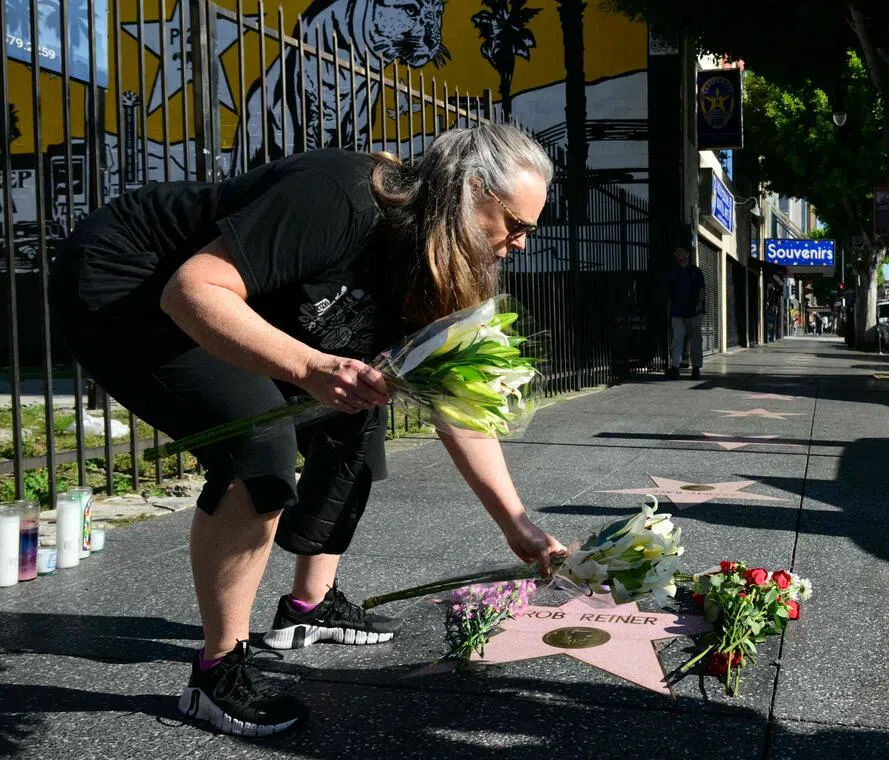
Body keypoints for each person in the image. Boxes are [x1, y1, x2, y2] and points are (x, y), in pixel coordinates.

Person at [49, 124, 567, 736]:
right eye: (516, 225)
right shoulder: (338, 195)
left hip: (238, 301)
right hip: (132, 281)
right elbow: (194, 289)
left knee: (359, 415)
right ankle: (218, 672)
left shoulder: (441, 262)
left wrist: (520, 528)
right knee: (258, 447)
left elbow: (455, 405)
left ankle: (310, 605)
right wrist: (312, 367)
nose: (522, 243)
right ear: (471, 188)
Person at [666, 245, 705, 380]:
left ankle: (696, 367)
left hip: (694, 311)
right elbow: (670, 294)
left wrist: (700, 303)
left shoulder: (695, 271)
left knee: (695, 340)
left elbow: (701, 289)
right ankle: (675, 367)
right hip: (677, 311)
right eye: (676, 252)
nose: (678, 255)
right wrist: (669, 311)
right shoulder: (673, 272)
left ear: (687, 254)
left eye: (681, 252)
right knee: (677, 339)